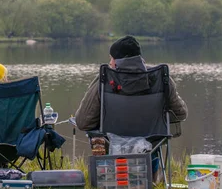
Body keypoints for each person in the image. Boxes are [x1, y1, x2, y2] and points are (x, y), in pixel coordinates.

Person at [74, 35, 188, 181]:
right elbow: (181, 113)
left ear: (117, 62)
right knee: (154, 136)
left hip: (112, 139)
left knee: (97, 131)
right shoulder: (160, 78)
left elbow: (83, 122)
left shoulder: (104, 80)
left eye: (111, 58)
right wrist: (157, 117)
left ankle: (109, 177)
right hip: (151, 139)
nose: (110, 62)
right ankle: (151, 178)